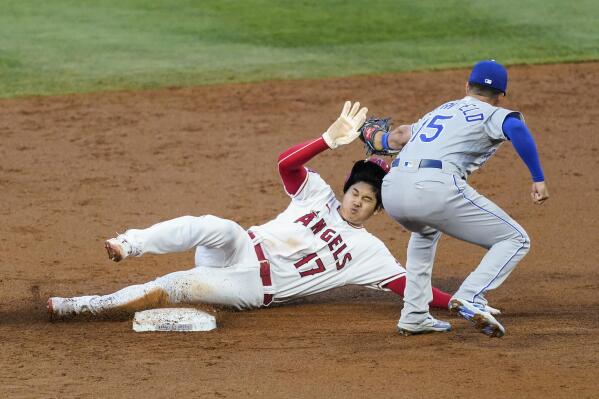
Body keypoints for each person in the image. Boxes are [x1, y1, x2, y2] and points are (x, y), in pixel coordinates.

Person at [47, 101, 463, 323]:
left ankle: (82, 306)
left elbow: (415, 289)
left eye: (368, 200)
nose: (357, 201)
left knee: (174, 283)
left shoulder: (369, 252)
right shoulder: (315, 195)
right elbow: (287, 165)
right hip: (240, 248)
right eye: (355, 192)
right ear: (345, 190)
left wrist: (463, 302)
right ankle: (128, 243)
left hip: (251, 286)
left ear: (376, 211)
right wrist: (325, 139)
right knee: (212, 225)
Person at [366, 60, 549, 337]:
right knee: (515, 238)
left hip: (392, 187)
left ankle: (414, 315)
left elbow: (399, 137)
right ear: (500, 96)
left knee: (425, 233)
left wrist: (377, 136)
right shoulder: (494, 113)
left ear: (466, 86)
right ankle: (472, 296)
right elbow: (518, 130)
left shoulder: (443, 109)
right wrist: (538, 177)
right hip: (433, 188)